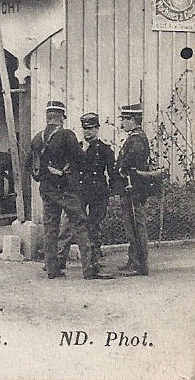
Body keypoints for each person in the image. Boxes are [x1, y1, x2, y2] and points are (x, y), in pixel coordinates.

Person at [25, 100, 108, 279]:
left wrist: (45, 175)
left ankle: (52, 269)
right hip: (66, 190)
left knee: (50, 229)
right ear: (61, 118)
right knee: (81, 225)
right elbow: (82, 161)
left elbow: (29, 165)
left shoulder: (37, 138)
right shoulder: (66, 135)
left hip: (46, 190)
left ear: (47, 117)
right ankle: (89, 270)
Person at [54, 113, 116, 276]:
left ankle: (94, 260)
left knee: (94, 226)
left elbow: (112, 173)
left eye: (90, 129)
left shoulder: (105, 150)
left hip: (97, 192)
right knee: (67, 225)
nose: (87, 132)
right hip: (78, 191)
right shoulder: (77, 148)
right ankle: (59, 259)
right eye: (85, 129)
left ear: (97, 129)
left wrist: (112, 191)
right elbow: (68, 167)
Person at [116, 103, 151, 277]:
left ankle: (139, 265)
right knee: (133, 225)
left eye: (124, 119)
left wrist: (121, 169)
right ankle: (134, 261)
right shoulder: (136, 137)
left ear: (132, 120)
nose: (122, 123)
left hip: (133, 188)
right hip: (132, 187)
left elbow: (130, 164)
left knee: (136, 226)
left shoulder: (136, 140)